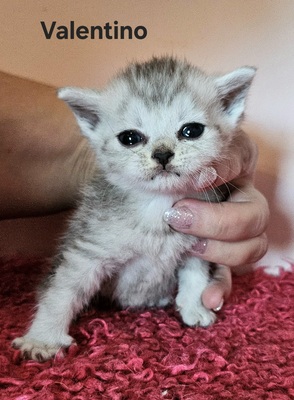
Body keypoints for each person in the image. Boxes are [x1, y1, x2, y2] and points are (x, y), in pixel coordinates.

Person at [0, 71, 269, 312]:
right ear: (92, 122)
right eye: (132, 138)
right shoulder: (108, 213)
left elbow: (194, 260)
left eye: (190, 130)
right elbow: (80, 266)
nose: (163, 153)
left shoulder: (208, 199)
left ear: (229, 107)